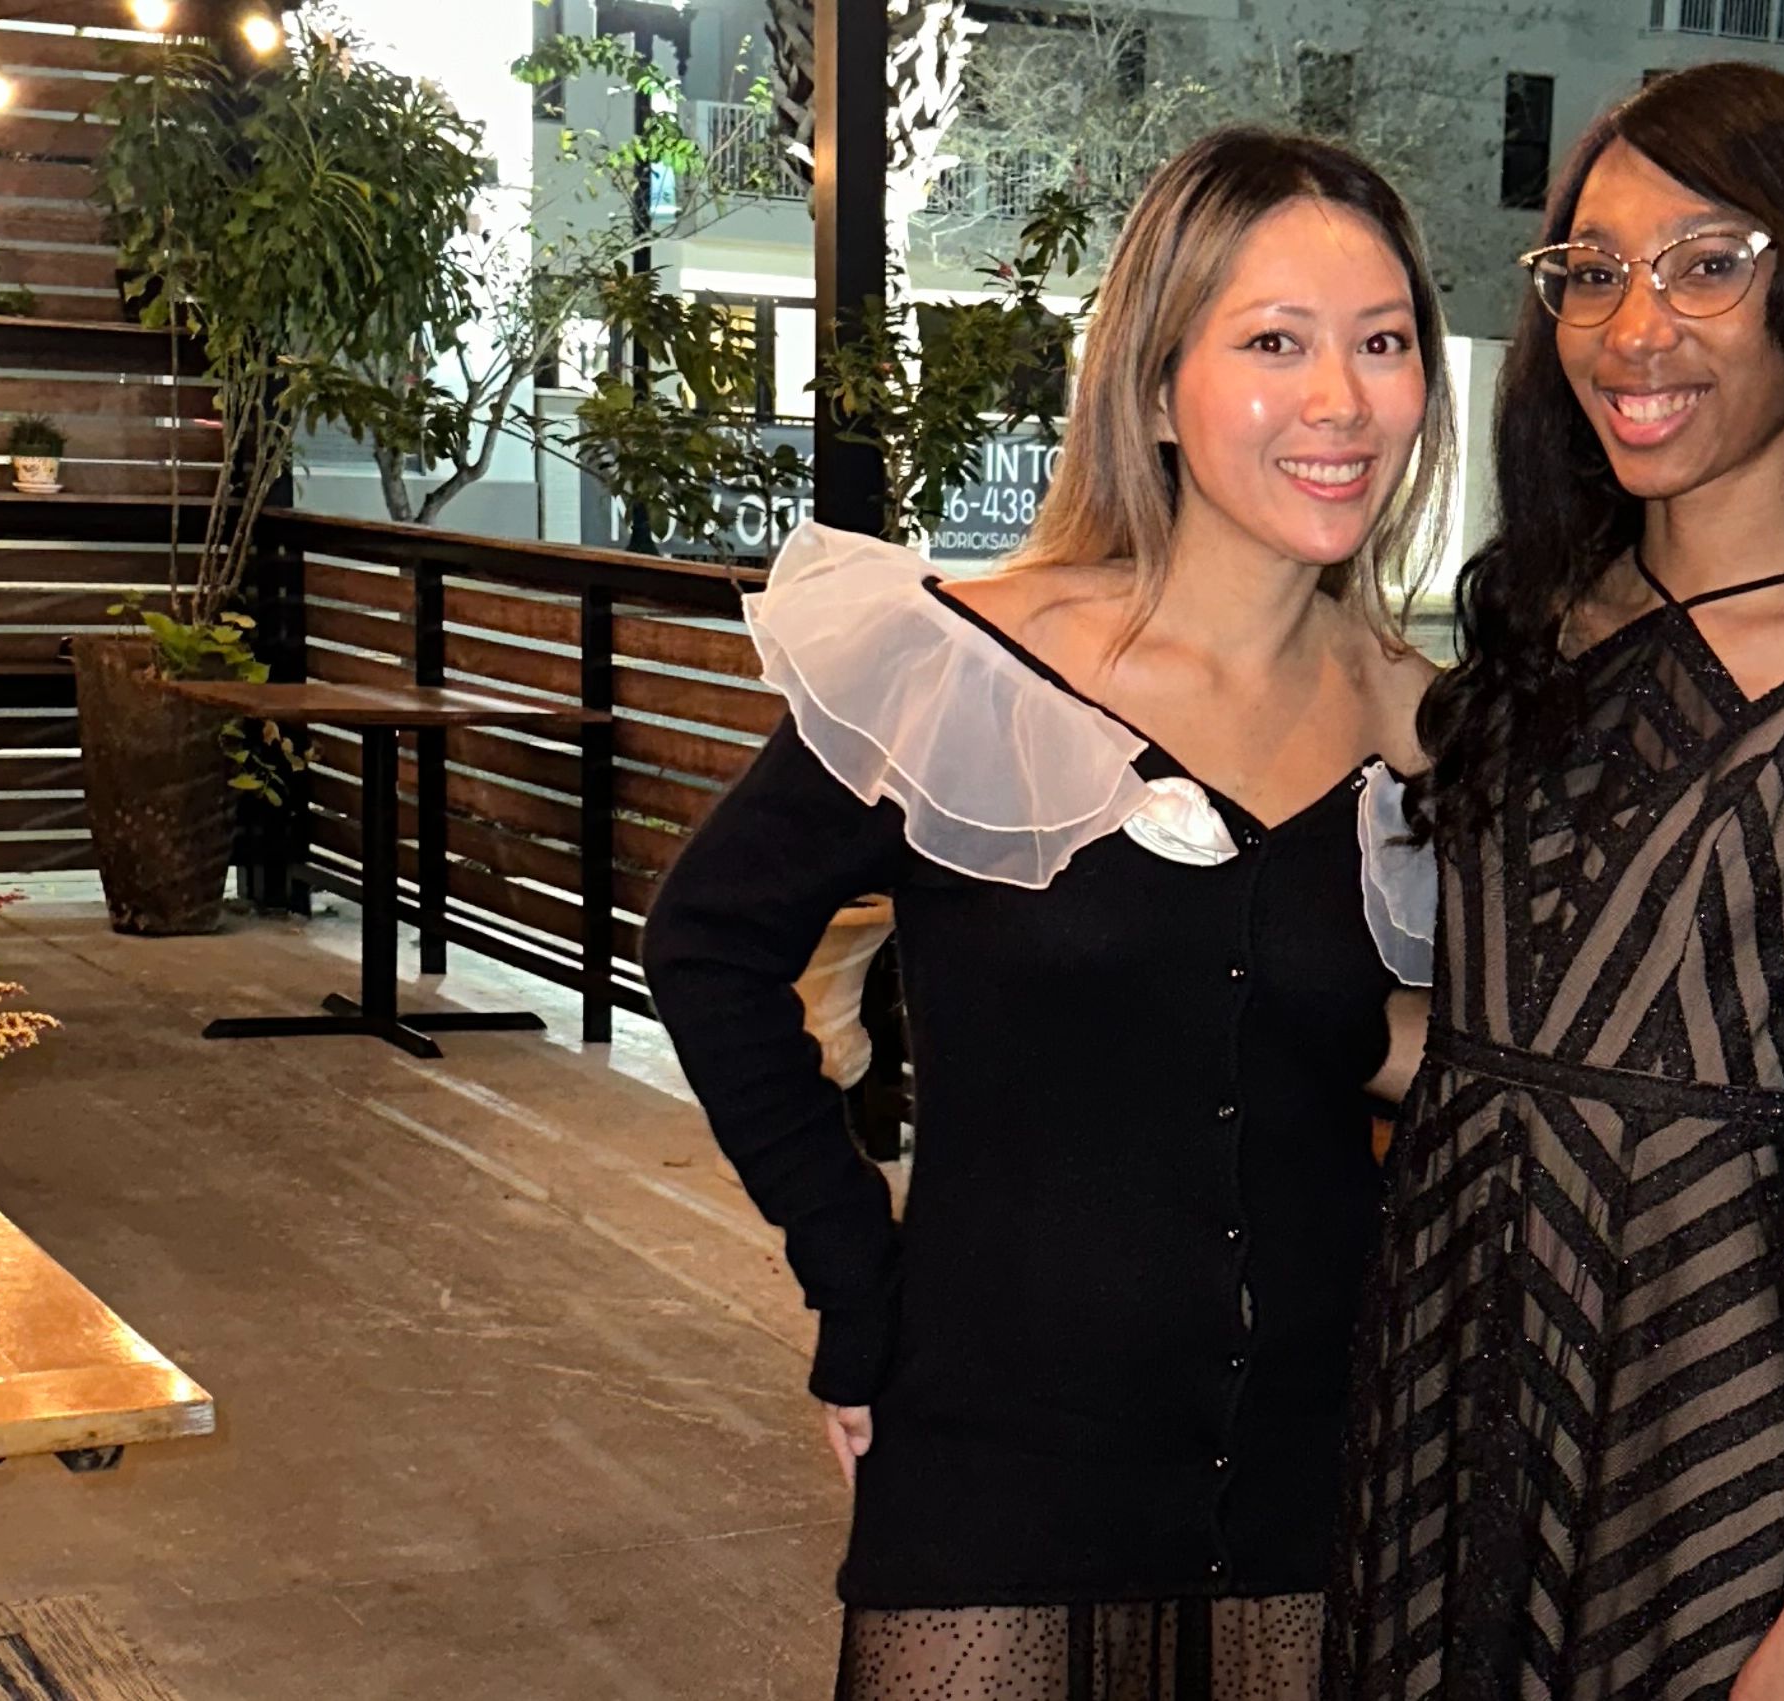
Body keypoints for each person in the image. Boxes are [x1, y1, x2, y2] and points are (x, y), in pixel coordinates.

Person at [641, 127, 1448, 1700]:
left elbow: (1450, 1060)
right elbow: (710, 945)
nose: (1341, 401)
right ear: (1153, 385)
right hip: (997, 1458)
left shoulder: (1431, 737)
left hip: (1310, 1474)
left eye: (1384, 343)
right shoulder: (957, 663)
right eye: (1273, 341)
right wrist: (850, 1262)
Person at [1327, 62, 1784, 1701]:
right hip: (1444, 1357)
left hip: (1706, 1402)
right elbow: (1497, 1043)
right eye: (1592, 271)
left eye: (1711, 262)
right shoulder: (1529, 631)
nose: (1635, 327)